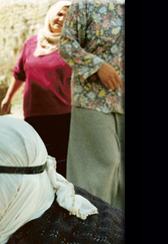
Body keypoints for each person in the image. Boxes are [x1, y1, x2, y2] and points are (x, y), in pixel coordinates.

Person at [58, 1, 124, 210]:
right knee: (102, 166)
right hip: (92, 98)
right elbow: (66, 44)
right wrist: (97, 66)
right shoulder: (84, 4)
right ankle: (90, 227)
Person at [0, 1, 73, 177]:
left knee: (60, 164)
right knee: (37, 160)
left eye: (68, 16)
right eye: (60, 13)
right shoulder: (32, 43)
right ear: (51, 14)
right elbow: (19, 74)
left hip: (64, 115)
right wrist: (8, 97)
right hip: (35, 115)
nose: (62, 19)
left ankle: (60, 202)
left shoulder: (72, 46)